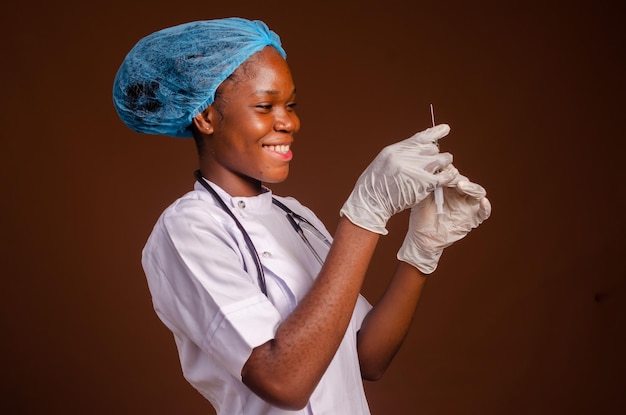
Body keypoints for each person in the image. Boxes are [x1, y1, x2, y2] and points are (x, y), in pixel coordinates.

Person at [112, 17, 491, 415]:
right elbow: (284, 382)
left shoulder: (296, 216)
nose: (289, 122)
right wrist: (365, 216)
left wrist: (420, 253)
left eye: (290, 105)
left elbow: (366, 357)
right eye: (265, 105)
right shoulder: (188, 229)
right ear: (205, 117)